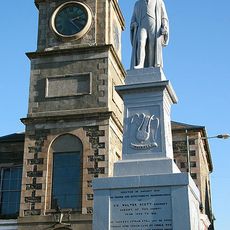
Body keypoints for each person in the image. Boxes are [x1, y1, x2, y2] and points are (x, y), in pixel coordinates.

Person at [130, 0, 169, 69]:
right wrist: (133, 24)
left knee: (152, 45)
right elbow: (133, 18)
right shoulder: (138, 3)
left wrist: (164, 26)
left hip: (154, 25)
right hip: (142, 25)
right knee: (140, 42)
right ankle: (140, 64)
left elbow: (164, 17)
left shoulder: (159, 2)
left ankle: (151, 65)